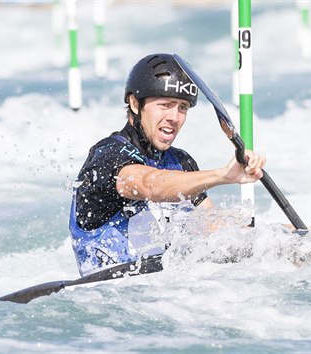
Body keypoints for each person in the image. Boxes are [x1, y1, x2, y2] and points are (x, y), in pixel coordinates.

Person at [69, 53, 266, 276]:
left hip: (167, 295)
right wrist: (223, 175)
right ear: (135, 103)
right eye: (166, 104)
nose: (175, 117)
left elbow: (209, 225)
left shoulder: (181, 162)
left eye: (182, 107)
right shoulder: (107, 155)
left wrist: (274, 239)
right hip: (109, 296)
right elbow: (150, 185)